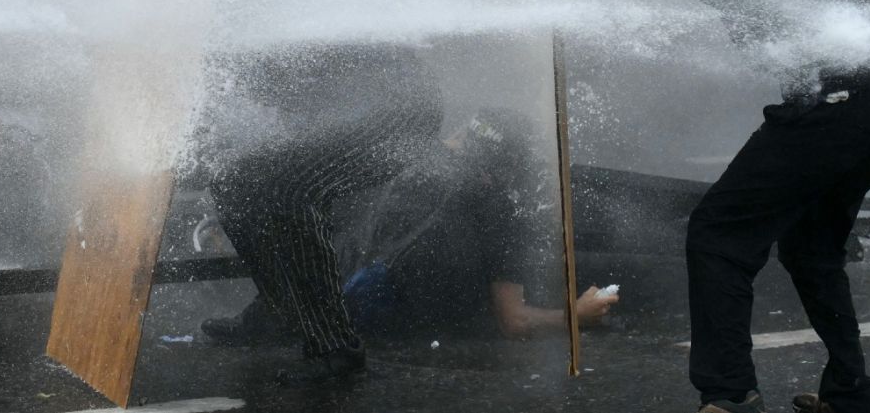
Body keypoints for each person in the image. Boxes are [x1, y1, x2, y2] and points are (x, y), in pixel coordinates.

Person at [548, 0, 870, 413]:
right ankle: (853, 394)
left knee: (718, 236)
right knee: (811, 247)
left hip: (843, 98)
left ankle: (729, 397)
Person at [201, 107, 618, 345]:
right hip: (376, 328)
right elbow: (514, 320)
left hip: (302, 310)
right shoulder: (492, 205)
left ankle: (266, 322)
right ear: (507, 170)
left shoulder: (400, 166)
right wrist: (574, 315)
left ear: (457, 138)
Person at [195, 42, 443, 384]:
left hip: (399, 107)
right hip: (352, 106)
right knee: (232, 181)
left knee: (292, 193)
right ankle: (279, 311)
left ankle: (336, 348)